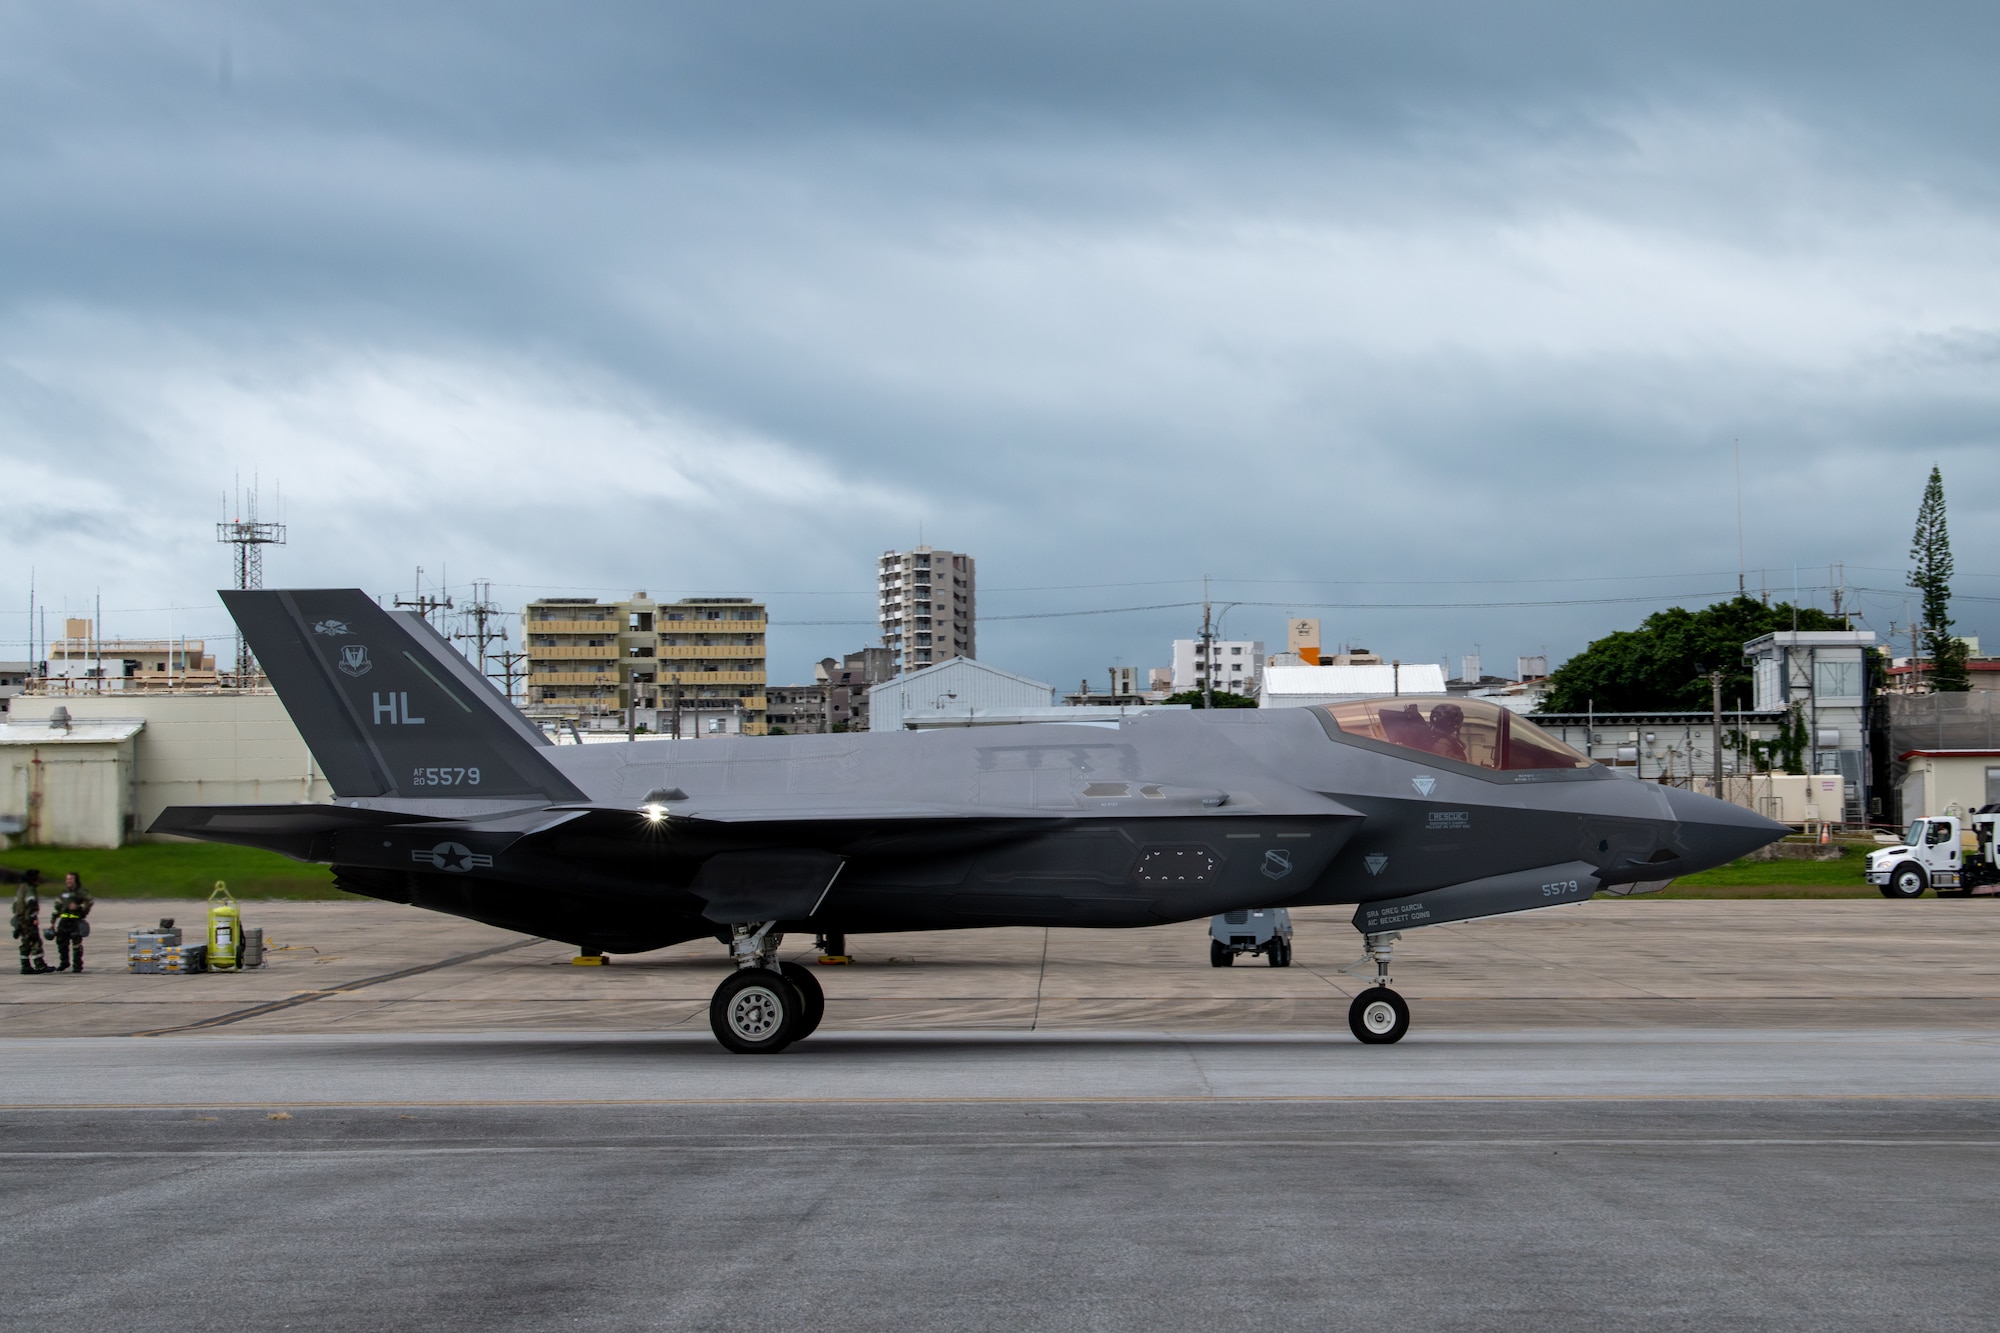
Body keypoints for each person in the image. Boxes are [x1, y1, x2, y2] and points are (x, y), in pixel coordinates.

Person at [11, 871, 53, 975]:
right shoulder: (30, 889)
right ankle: (40, 965)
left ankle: (25, 966)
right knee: (35, 941)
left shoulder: (21, 888)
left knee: (25, 942)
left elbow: (15, 905)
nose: (39, 880)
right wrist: (33, 917)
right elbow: (31, 903)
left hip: (20, 918)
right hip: (28, 919)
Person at [50, 872, 93, 974]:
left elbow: (89, 902)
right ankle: (64, 962)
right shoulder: (63, 893)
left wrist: (79, 908)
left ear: (75, 880)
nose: (68, 881)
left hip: (75, 921)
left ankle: (77, 965)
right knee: (61, 942)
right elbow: (57, 906)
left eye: (71, 879)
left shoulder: (81, 892)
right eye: (67, 879)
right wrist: (53, 921)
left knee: (76, 944)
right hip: (64, 921)